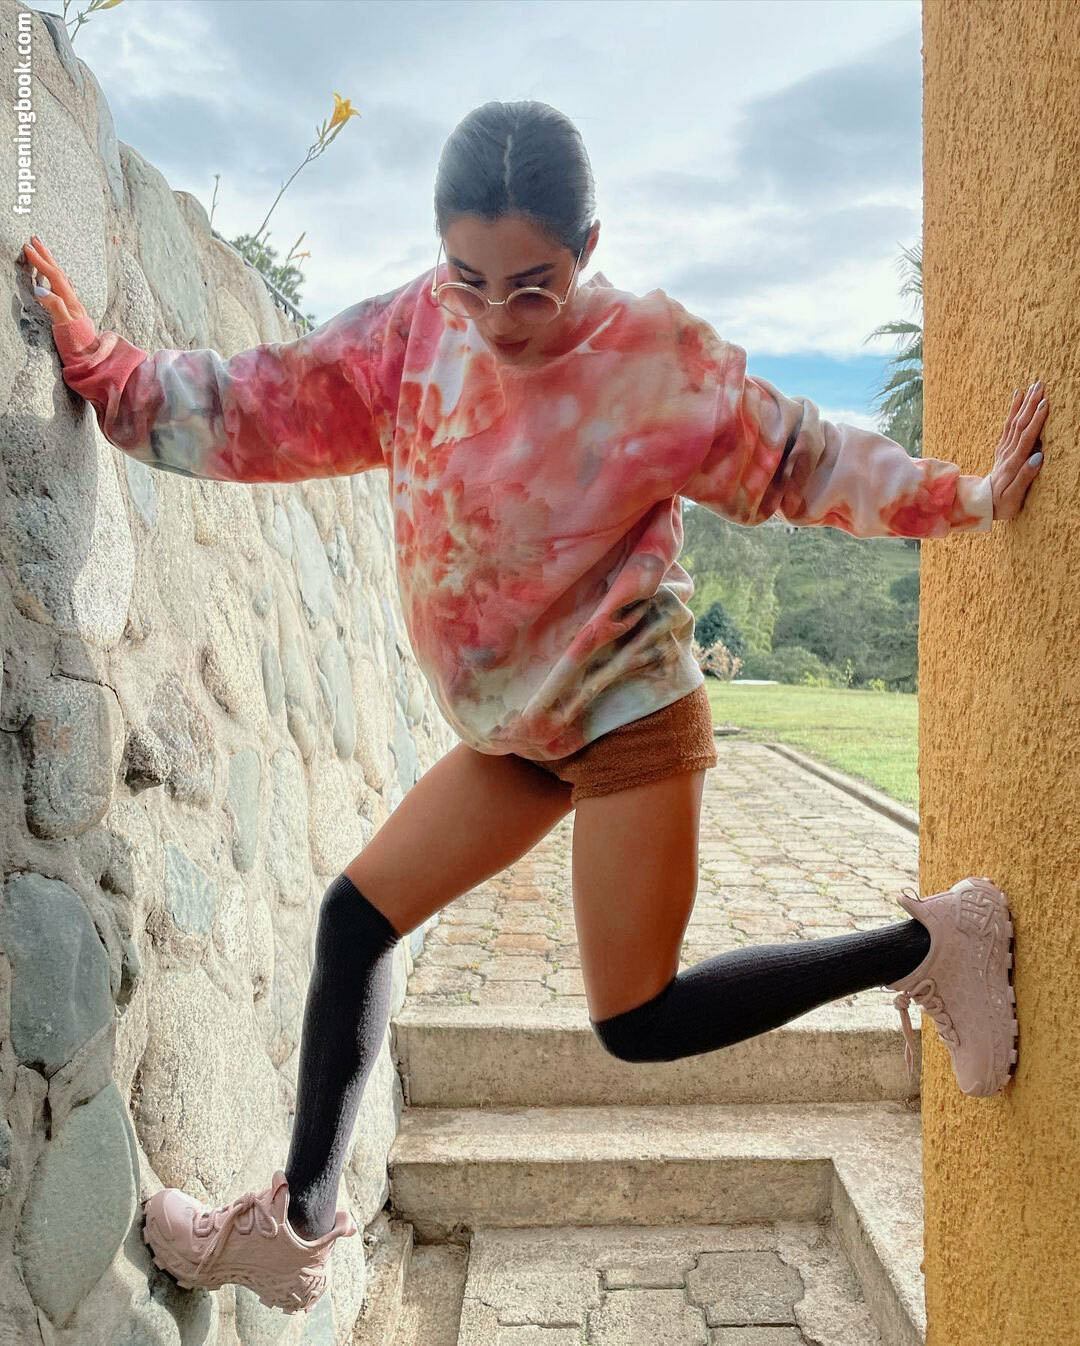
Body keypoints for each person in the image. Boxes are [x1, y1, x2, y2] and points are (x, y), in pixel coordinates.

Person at [21, 99, 1045, 1317]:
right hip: (514, 731)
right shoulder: (416, 332)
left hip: (625, 712)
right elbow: (261, 401)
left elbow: (805, 456)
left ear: (588, 247)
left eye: (533, 287)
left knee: (636, 1018)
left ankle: (933, 945)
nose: (499, 316)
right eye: (471, 278)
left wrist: (970, 495)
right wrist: (110, 372)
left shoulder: (651, 358)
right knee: (357, 921)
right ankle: (294, 1231)